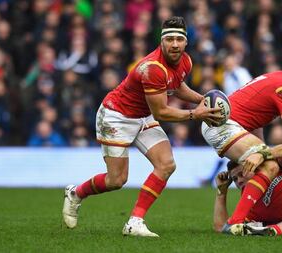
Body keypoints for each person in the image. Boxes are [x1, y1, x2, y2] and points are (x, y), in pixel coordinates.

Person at [62, 16, 222, 237]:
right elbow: (162, 112)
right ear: (161, 41)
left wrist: (202, 99)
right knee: (116, 180)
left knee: (166, 164)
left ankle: (134, 222)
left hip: (142, 115)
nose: (174, 44)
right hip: (116, 116)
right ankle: (76, 194)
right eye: (170, 39)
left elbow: (177, 86)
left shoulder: (185, 61)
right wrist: (197, 113)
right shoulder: (152, 68)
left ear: (186, 42)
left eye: (179, 39)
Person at [202, 51, 282, 232]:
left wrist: (260, 151)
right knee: (271, 166)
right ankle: (236, 222)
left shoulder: (273, 79)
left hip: (222, 124)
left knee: (267, 162)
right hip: (225, 125)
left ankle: (236, 221)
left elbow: (255, 122)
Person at [213, 144, 282, 233]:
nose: (239, 180)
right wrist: (221, 193)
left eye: (242, 174)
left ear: (254, 167)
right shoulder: (247, 203)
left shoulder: (271, 168)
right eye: (235, 179)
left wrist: (263, 154)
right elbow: (222, 228)